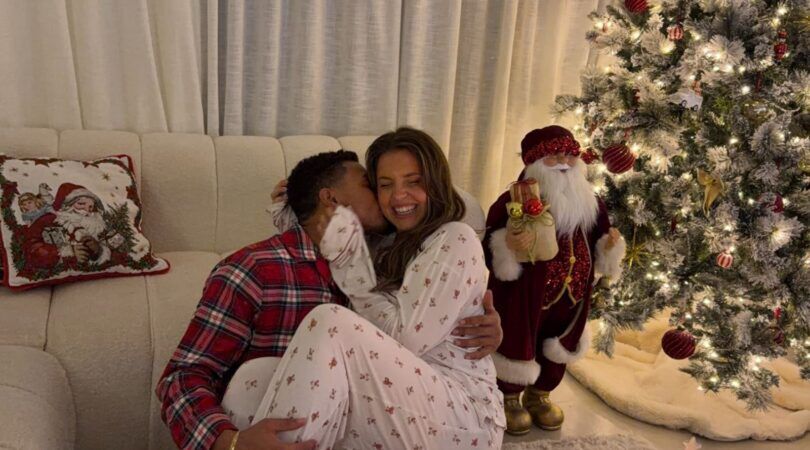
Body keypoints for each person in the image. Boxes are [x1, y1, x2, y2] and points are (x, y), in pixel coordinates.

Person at [156, 149, 502, 450]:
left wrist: (480, 320)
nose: (391, 197)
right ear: (332, 199)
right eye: (375, 185)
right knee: (250, 380)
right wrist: (229, 442)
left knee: (330, 320)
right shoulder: (253, 270)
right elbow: (183, 377)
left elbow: (453, 220)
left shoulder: (389, 258)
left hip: (420, 419)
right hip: (318, 427)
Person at [484, 125, 626, 435]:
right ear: (535, 162)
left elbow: (600, 233)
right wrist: (507, 245)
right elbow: (489, 242)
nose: (563, 162)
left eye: (569, 155)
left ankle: (540, 394)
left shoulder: (591, 202)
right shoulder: (514, 200)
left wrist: (609, 248)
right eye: (553, 156)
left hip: (572, 293)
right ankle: (508, 396)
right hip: (525, 292)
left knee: (560, 341)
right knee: (517, 336)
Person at [22, 182, 110, 269]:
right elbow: (31, 248)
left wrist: (98, 250)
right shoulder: (48, 220)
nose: (87, 210)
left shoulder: (97, 226)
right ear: (66, 205)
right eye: (81, 204)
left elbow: (115, 248)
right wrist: (69, 252)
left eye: (91, 206)